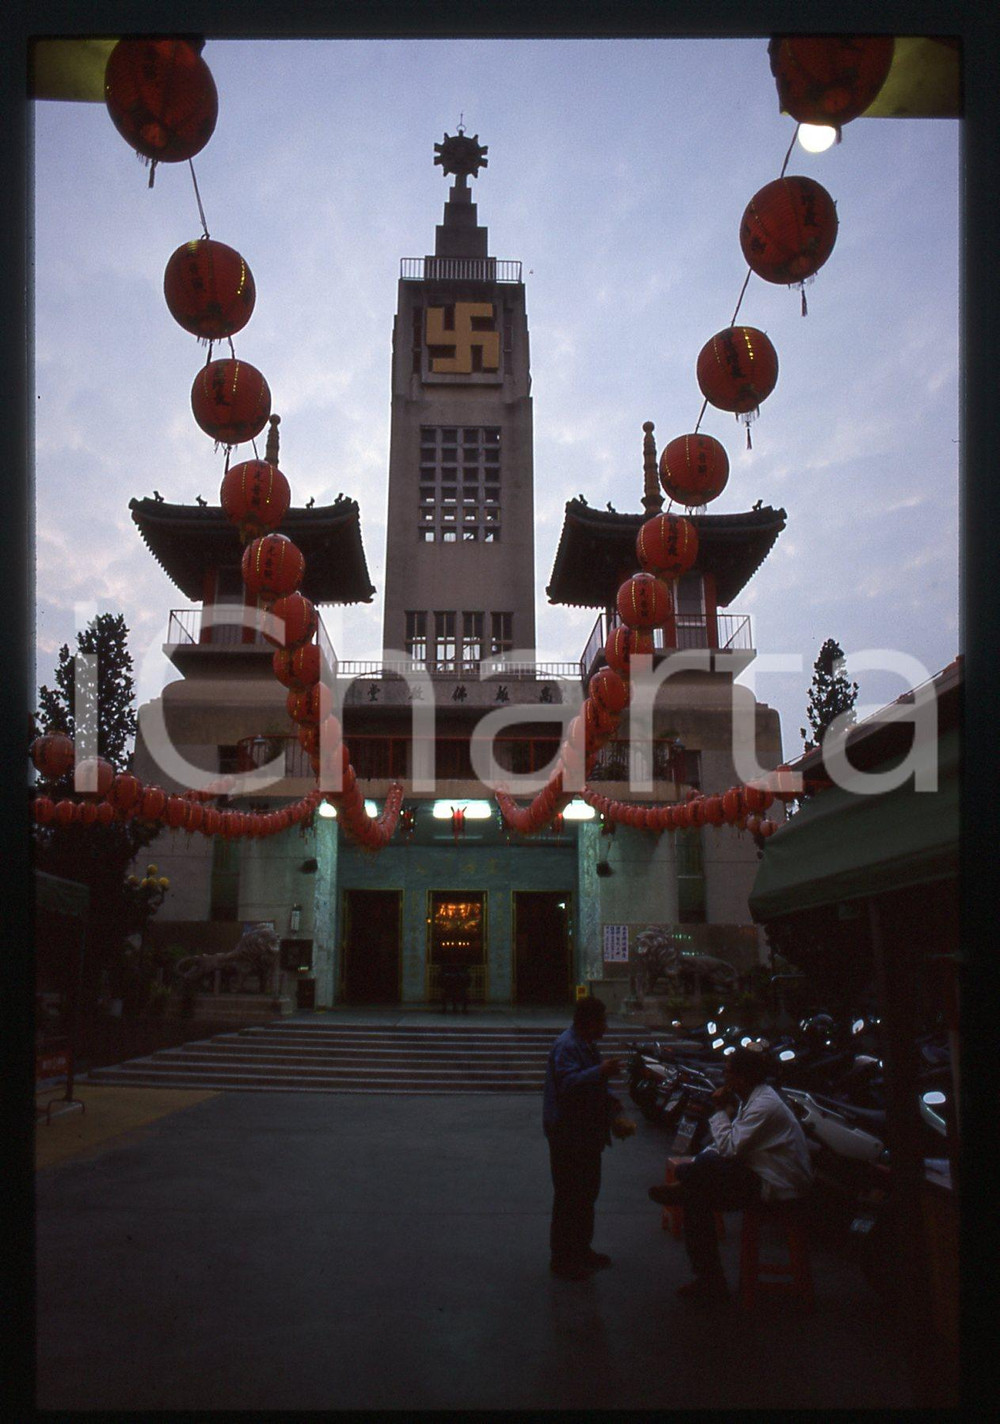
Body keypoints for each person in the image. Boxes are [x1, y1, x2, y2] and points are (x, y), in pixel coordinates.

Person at [648, 1045, 813, 1303]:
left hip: (777, 1184)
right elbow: (726, 1148)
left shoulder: (764, 1106)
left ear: (741, 1078)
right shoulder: (752, 1100)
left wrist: (719, 1112)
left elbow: (730, 1148)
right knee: (695, 1193)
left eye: (728, 1073)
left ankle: (710, 1280)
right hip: (758, 1173)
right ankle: (709, 1281)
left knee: (694, 1177)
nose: (724, 1078)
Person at [543, 995, 637, 1281]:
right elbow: (569, 1083)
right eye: (603, 1021)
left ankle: (582, 1249)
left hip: (586, 1132)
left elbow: (589, 1085)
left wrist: (609, 1103)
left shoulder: (586, 1046)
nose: (606, 1027)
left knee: (586, 1193)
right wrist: (601, 1071)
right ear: (590, 1023)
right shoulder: (567, 1046)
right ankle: (563, 1258)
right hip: (568, 1132)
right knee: (570, 1195)